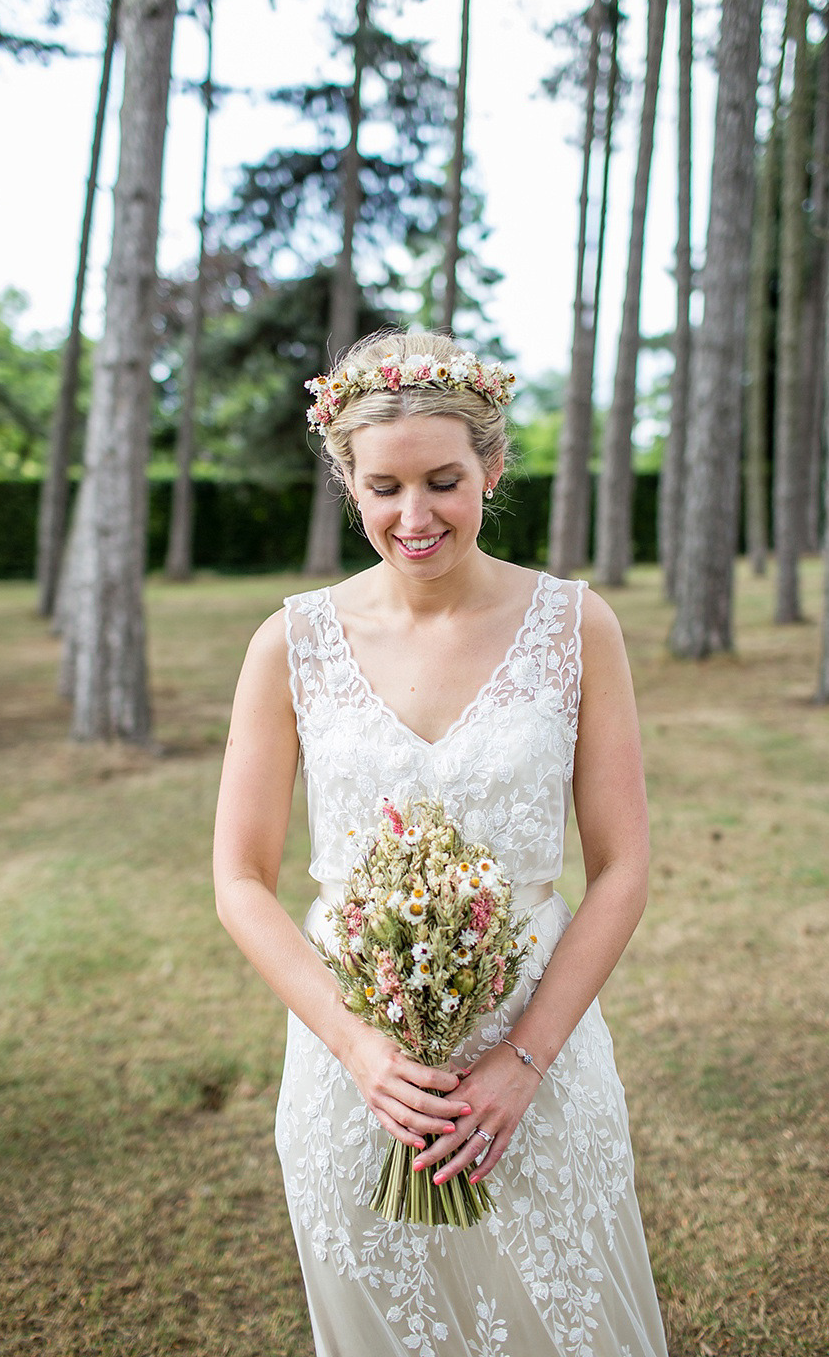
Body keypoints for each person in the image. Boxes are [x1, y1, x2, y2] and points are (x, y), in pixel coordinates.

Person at [213, 331, 669, 1357]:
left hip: (537, 1053)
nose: (413, 518)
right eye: (384, 488)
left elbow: (624, 867)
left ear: (492, 471)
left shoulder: (573, 625)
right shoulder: (289, 644)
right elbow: (240, 878)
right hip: (354, 1078)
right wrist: (360, 1049)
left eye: (444, 482)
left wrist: (522, 1063)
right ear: (348, 482)